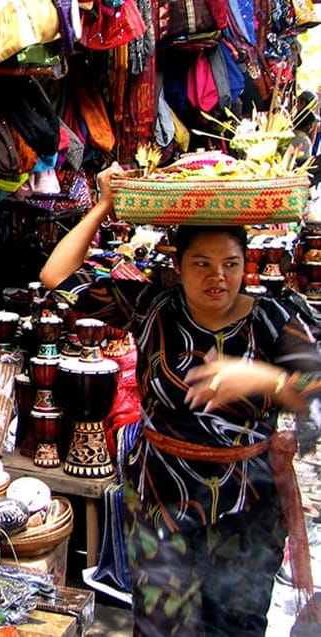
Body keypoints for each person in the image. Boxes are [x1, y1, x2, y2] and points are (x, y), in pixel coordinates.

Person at [40, 163, 321, 636]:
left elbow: (312, 392)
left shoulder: (275, 317)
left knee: (235, 627)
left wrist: (261, 378)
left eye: (231, 264)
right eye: (202, 264)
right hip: (161, 499)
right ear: (178, 266)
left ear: (245, 263)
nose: (218, 278)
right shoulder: (153, 306)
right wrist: (104, 205)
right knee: (162, 626)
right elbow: (55, 276)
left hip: (247, 504)